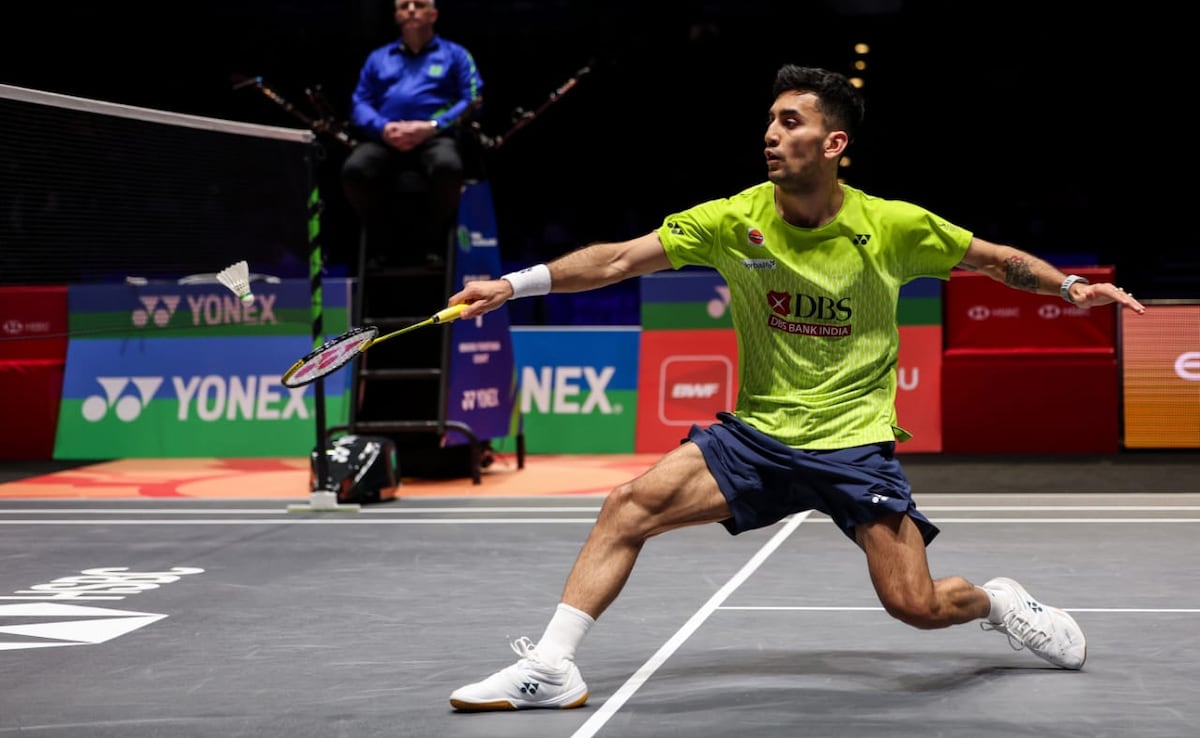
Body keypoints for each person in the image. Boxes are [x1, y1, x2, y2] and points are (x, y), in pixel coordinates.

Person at [444, 64, 1146, 712]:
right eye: (770, 122)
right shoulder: (734, 220)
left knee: (916, 605)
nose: (771, 135)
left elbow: (995, 261)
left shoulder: (893, 226)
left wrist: (1071, 286)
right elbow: (620, 260)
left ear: (833, 142)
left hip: (853, 445)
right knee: (628, 506)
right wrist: (513, 284)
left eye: (790, 122)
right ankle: (552, 667)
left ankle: (999, 604)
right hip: (757, 437)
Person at [341, 0, 483, 266]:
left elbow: (472, 98)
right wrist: (382, 127)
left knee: (448, 166)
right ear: (396, 15)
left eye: (419, 4)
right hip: (387, 137)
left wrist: (432, 126)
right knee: (355, 169)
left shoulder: (456, 54)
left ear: (433, 14)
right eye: (403, 6)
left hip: (435, 136)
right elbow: (359, 102)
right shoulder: (378, 58)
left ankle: (430, 244)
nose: (410, 10)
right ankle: (383, 245)